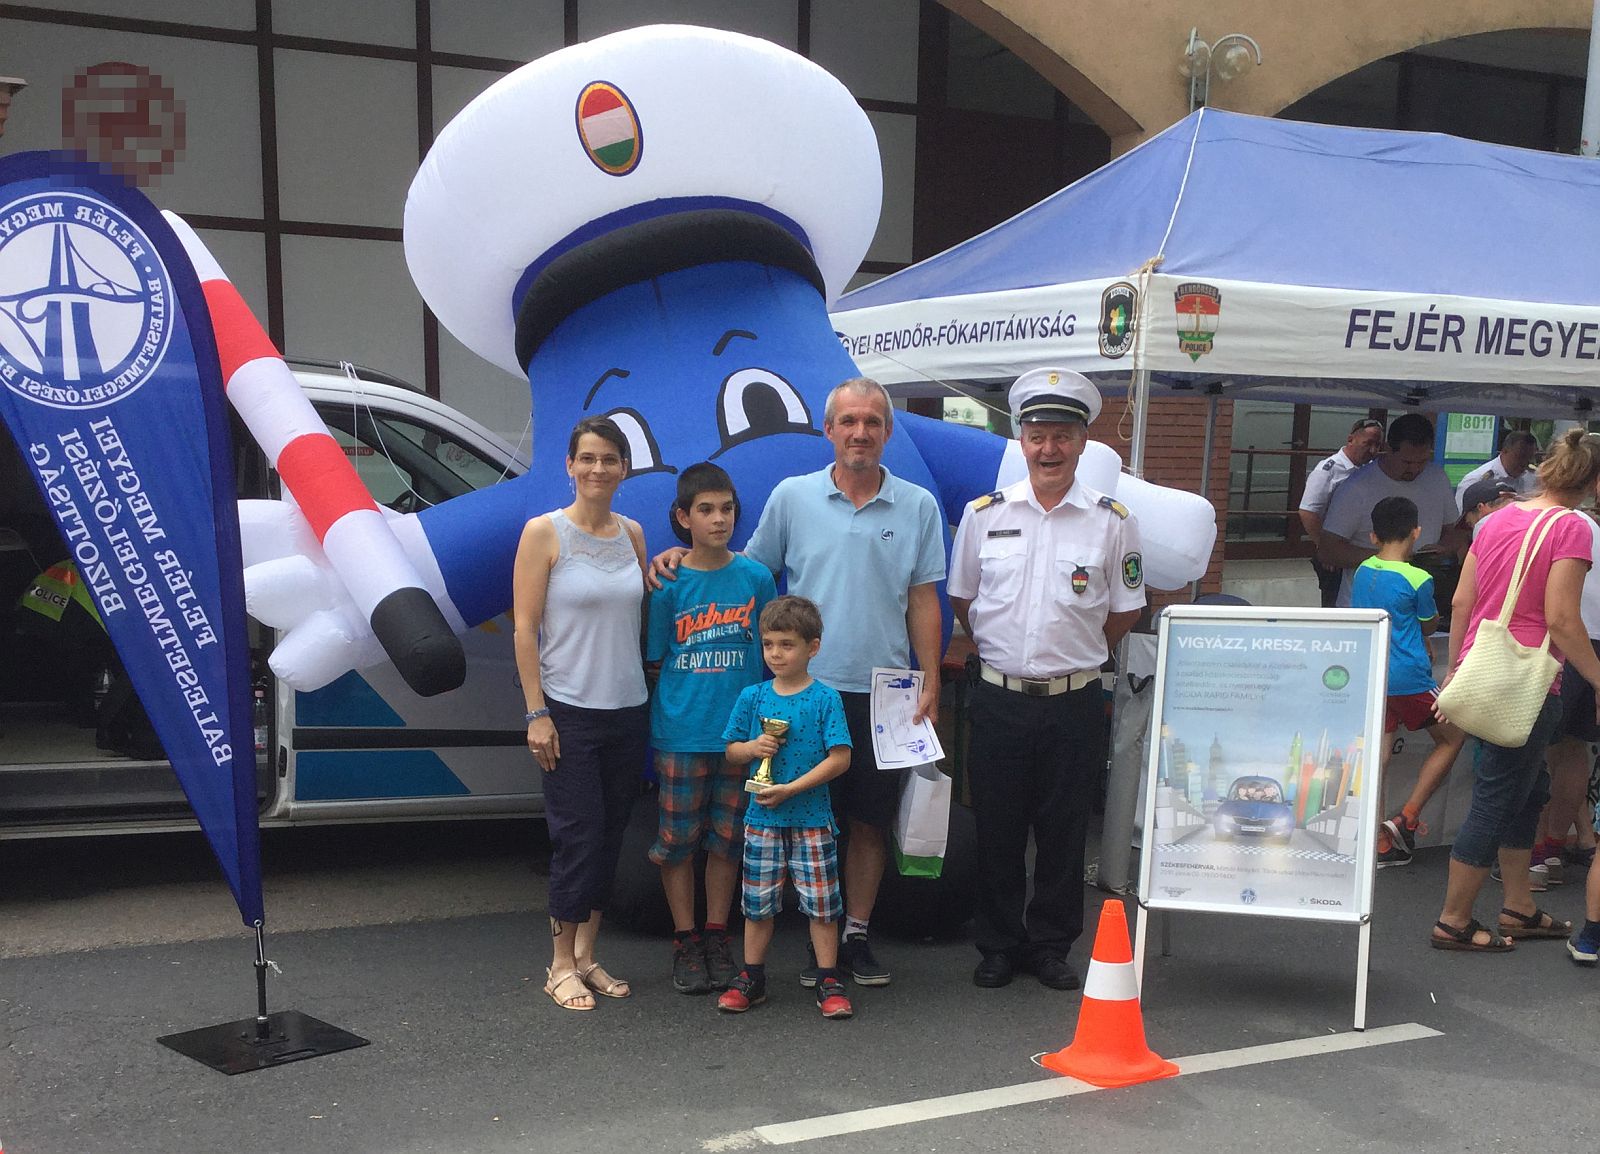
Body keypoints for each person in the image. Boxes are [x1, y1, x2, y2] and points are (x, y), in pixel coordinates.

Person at [652, 376, 946, 988]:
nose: (860, 432)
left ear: (887, 431)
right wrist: (680, 557)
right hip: (804, 691)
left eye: (872, 422)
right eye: (848, 421)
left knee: (869, 822)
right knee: (808, 820)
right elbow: (745, 573)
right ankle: (811, 941)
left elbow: (923, 599)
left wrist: (932, 680)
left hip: (885, 693)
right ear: (828, 429)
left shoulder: (918, 504)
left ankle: (854, 936)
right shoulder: (792, 496)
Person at [948, 368, 1144, 990]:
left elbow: (1126, 609)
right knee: (997, 827)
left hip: (1073, 701)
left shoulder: (1113, 522)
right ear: (1022, 441)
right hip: (999, 697)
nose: (1049, 449)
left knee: (1063, 829)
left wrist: (1079, 653)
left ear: (1082, 442)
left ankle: (1052, 945)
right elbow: (964, 600)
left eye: (1062, 436)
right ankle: (999, 944)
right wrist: (1005, 651)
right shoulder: (985, 515)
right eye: (1037, 436)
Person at [1430, 428, 1600, 952]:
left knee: (1525, 790)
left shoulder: (1496, 518)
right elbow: (1562, 618)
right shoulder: (1573, 527)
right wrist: (1598, 676)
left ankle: (1518, 905)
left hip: (1486, 667)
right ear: (1593, 481)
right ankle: (1454, 919)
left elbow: (1461, 601)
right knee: (1499, 796)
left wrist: (1456, 669)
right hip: (1529, 678)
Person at [513, 416, 649, 1011]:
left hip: (628, 709)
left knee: (611, 836)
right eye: (587, 458)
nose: (598, 468)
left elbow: (642, 608)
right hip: (568, 711)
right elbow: (523, 629)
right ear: (569, 465)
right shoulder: (544, 533)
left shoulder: (633, 534)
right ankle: (559, 964)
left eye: (609, 459)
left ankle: (588, 956)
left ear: (624, 468)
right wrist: (536, 713)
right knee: (578, 837)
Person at [645, 463, 775, 995]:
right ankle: (685, 939)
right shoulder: (669, 583)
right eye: (706, 510)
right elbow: (656, 659)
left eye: (726, 508)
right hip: (682, 731)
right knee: (677, 840)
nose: (719, 519)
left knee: (728, 839)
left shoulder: (757, 578)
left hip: (740, 737)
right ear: (684, 518)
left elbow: (770, 657)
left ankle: (718, 934)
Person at [716, 595, 854, 1018]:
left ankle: (828, 977)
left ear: (813, 647)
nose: (776, 653)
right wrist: (753, 747)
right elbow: (731, 751)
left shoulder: (826, 698)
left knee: (822, 903)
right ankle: (752, 976)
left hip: (812, 818)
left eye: (787, 644)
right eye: (768, 644)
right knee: (757, 902)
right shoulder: (753, 696)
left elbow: (840, 758)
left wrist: (791, 789)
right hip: (762, 818)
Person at [1349, 496, 1466, 868]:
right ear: (1416, 532)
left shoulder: (1363, 570)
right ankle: (1407, 817)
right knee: (1453, 737)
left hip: (1372, 670)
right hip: (1409, 676)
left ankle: (1375, 842)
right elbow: (1429, 624)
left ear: (1373, 535)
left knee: (1378, 757)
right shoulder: (1419, 578)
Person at [1319, 414, 1463, 607]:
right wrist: (1391, 557)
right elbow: (1328, 550)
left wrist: (1443, 548)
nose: (1415, 469)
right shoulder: (1356, 487)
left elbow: (1453, 531)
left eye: (1422, 461)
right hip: (1366, 607)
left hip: (1417, 602)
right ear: (1388, 449)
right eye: (1407, 462)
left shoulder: (1437, 477)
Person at [1299, 418, 1387, 607]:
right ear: (1351, 439)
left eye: (1377, 445)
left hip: (1359, 549)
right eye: (1367, 444)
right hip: (1335, 554)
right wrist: (1325, 547)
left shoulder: (1370, 470)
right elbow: (1308, 512)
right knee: (1334, 607)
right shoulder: (1329, 470)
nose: (1373, 450)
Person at [1454, 429, 1539, 514]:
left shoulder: (1533, 479)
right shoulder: (1476, 480)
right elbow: (1460, 516)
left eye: (1530, 458)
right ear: (1505, 451)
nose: (1524, 463)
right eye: (1520, 456)